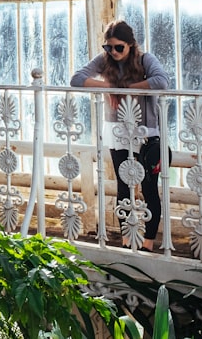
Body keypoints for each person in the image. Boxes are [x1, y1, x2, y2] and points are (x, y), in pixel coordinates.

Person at [70, 20, 170, 252]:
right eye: (109, 47)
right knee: (123, 185)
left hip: (146, 132)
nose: (113, 52)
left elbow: (161, 81)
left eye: (119, 48)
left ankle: (148, 242)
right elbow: (77, 79)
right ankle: (126, 240)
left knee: (148, 187)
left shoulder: (146, 59)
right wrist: (108, 88)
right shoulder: (105, 61)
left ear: (131, 45)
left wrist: (128, 89)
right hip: (117, 131)